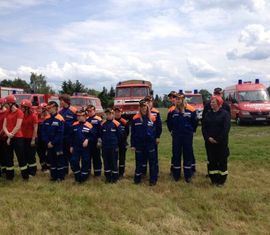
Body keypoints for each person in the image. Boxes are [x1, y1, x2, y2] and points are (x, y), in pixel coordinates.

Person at [167, 93, 197, 183]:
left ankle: (188, 175)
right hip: (176, 136)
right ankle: (176, 175)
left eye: (180, 99)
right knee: (176, 154)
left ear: (184, 99)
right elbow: (169, 123)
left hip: (187, 136)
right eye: (177, 99)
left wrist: (191, 130)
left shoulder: (191, 109)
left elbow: (194, 122)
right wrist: (171, 130)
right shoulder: (172, 110)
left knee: (187, 154)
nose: (178, 100)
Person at [202, 96, 231, 187]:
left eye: (213, 102)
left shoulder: (225, 114)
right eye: (211, 102)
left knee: (222, 161)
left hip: (221, 143)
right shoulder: (208, 114)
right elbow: (204, 128)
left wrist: (218, 139)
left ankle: (221, 180)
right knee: (212, 161)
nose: (211, 104)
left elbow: (225, 129)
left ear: (219, 103)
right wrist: (208, 138)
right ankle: (213, 179)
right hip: (209, 143)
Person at [131, 100, 158, 186]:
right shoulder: (135, 118)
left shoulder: (152, 117)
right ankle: (137, 179)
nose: (143, 108)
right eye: (142, 106)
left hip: (150, 144)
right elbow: (133, 133)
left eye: (145, 106)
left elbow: (156, 131)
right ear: (139, 108)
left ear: (147, 107)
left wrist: (155, 139)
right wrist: (133, 145)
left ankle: (152, 180)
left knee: (152, 162)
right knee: (139, 162)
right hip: (139, 144)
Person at [3, 95, 29, 180]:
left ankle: (25, 177)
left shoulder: (19, 112)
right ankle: (9, 176)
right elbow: (4, 126)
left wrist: (10, 136)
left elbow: (18, 126)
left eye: (6, 104)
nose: (5, 106)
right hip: (8, 137)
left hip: (18, 138)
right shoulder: (7, 112)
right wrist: (8, 134)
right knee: (8, 157)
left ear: (11, 103)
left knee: (20, 157)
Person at [42, 101, 65, 181]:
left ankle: (60, 177)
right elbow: (43, 132)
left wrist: (53, 142)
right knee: (52, 160)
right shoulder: (46, 118)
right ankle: (53, 176)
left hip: (58, 144)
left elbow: (60, 133)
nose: (48, 109)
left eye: (50, 108)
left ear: (55, 107)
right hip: (49, 144)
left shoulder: (60, 119)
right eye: (47, 108)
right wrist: (47, 142)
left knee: (59, 160)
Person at [70, 109, 94, 183]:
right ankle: (77, 177)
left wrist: (87, 140)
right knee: (74, 161)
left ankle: (83, 178)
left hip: (85, 148)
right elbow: (71, 137)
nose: (80, 117)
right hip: (76, 147)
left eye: (82, 116)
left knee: (85, 162)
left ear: (85, 116)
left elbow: (93, 136)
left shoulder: (89, 125)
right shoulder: (74, 125)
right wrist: (71, 146)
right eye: (78, 116)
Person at [100, 108, 122, 183]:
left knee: (114, 162)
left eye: (109, 114)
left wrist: (116, 145)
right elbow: (100, 135)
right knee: (106, 162)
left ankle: (115, 178)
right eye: (107, 114)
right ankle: (108, 178)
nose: (108, 115)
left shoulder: (117, 124)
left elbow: (120, 136)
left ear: (113, 114)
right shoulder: (102, 124)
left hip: (113, 147)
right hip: (105, 147)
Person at [143, 96, 162, 176]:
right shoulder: (142, 111)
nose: (147, 103)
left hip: (153, 138)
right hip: (143, 139)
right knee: (143, 156)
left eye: (149, 101)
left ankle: (155, 171)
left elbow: (159, 126)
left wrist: (157, 136)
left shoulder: (156, 112)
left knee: (154, 155)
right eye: (146, 101)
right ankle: (143, 172)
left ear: (152, 102)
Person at [59, 94, 77, 175]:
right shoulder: (60, 112)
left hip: (71, 137)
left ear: (65, 101)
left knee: (72, 155)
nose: (60, 102)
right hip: (63, 137)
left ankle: (75, 171)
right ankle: (65, 171)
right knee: (63, 155)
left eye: (61, 100)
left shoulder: (74, 110)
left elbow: (79, 122)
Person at [20, 99, 38, 176]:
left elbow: (35, 128)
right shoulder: (22, 115)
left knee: (31, 155)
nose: (22, 108)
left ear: (28, 108)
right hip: (23, 138)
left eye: (23, 107)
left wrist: (33, 139)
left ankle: (33, 171)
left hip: (31, 138)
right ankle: (27, 170)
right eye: (21, 106)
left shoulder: (33, 116)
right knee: (25, 154)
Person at [86, 104, 103, 177]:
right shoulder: (86, 119)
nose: (89, 112)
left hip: (96, 142)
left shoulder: (98, 119)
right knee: (87, 158)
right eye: (88, 111)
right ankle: (88, 172)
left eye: (91, 111)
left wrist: (100, 140)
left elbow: (102, 130)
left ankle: (97, 173)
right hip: (88, 142)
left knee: (96, 158)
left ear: (94, 110)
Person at [113, 107, 129, 178]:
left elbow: (127, 132)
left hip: (122, 143)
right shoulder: (111, 121)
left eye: (118, 112)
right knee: (114, 158)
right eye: (116, 112)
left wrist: (123, 140)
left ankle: (122, 172)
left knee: (122, 158)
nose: (117, 113)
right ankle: (114, 171)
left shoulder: (125, 122)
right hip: (114, 143)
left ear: (121, 112)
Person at [37, 103, 50, 172]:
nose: (38, 110)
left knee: (48, 153)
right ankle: (44, 167)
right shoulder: (37, 117)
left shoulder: (49, 118)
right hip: (39, 139)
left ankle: (48, 166)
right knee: (40, 153)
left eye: (40, 108)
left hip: (46, 139)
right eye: (38, 108)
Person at [167, 91, 177, 174]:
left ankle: (191, 168)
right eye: (171, 97)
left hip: (185, 134)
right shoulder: (170, 109)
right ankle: (174, 168)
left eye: (174, 97)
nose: (172, 99)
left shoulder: (184, 107)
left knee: (188, 151)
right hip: (175, 133)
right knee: (175, 151)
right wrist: (171, 130)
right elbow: (169, 122)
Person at [0, 98, 8, 176]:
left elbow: (5, 125)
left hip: (3, 136)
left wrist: (1, 132)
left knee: (4, 153)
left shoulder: (6, 112)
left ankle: (5, 169)